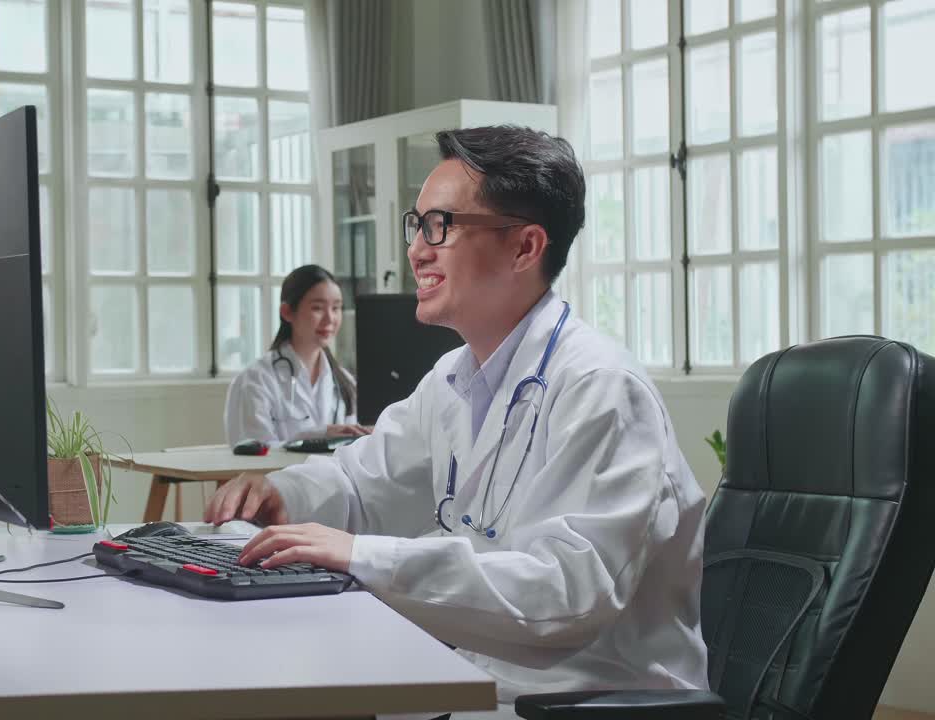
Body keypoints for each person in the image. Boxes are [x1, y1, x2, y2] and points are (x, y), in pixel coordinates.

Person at [206, 126, 708, 717]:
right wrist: (282, 497)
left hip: (582, 700)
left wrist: (360, 556)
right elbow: (363, 484)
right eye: (415, 224)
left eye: (440, 225)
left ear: (525, 248)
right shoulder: (453, 378)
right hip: (475, 682)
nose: (417, 249)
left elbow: (565, 595)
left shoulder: (603, 391)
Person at [223, 264, 370, 446]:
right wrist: (321, 434)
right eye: (317, 308)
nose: (330, 319)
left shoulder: (344, 383)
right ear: (287, 312)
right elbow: (251, 453)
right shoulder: (254, 381)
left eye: (336, 308)